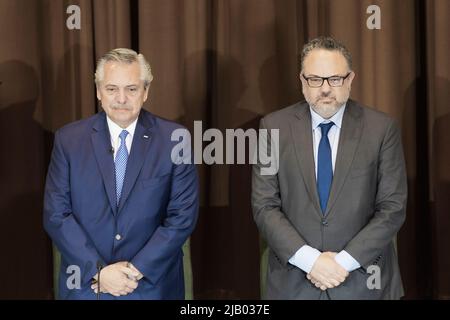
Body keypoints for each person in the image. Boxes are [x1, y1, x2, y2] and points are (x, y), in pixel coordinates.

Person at [252, 36, 407, 299]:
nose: (325, 89)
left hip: (364, 282)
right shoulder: (272, 128)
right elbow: (264, 206)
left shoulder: (382, 129)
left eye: (335, 79)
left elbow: (392, 208)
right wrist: (312, 261)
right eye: (315, 79)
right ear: (302, 81)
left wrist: (342, 263)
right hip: (294, 283)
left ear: (350, 79)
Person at [43, 48, 199, 299]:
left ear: (146, 91)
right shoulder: (68, 140)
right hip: (88, 284)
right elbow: (56, 214)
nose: (121, 98)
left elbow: (182, 217)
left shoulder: (175, 140)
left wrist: (134, 271)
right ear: (98, 92)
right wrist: (100, 272)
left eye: (132, 89)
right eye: (112, 89)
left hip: (150, 284)